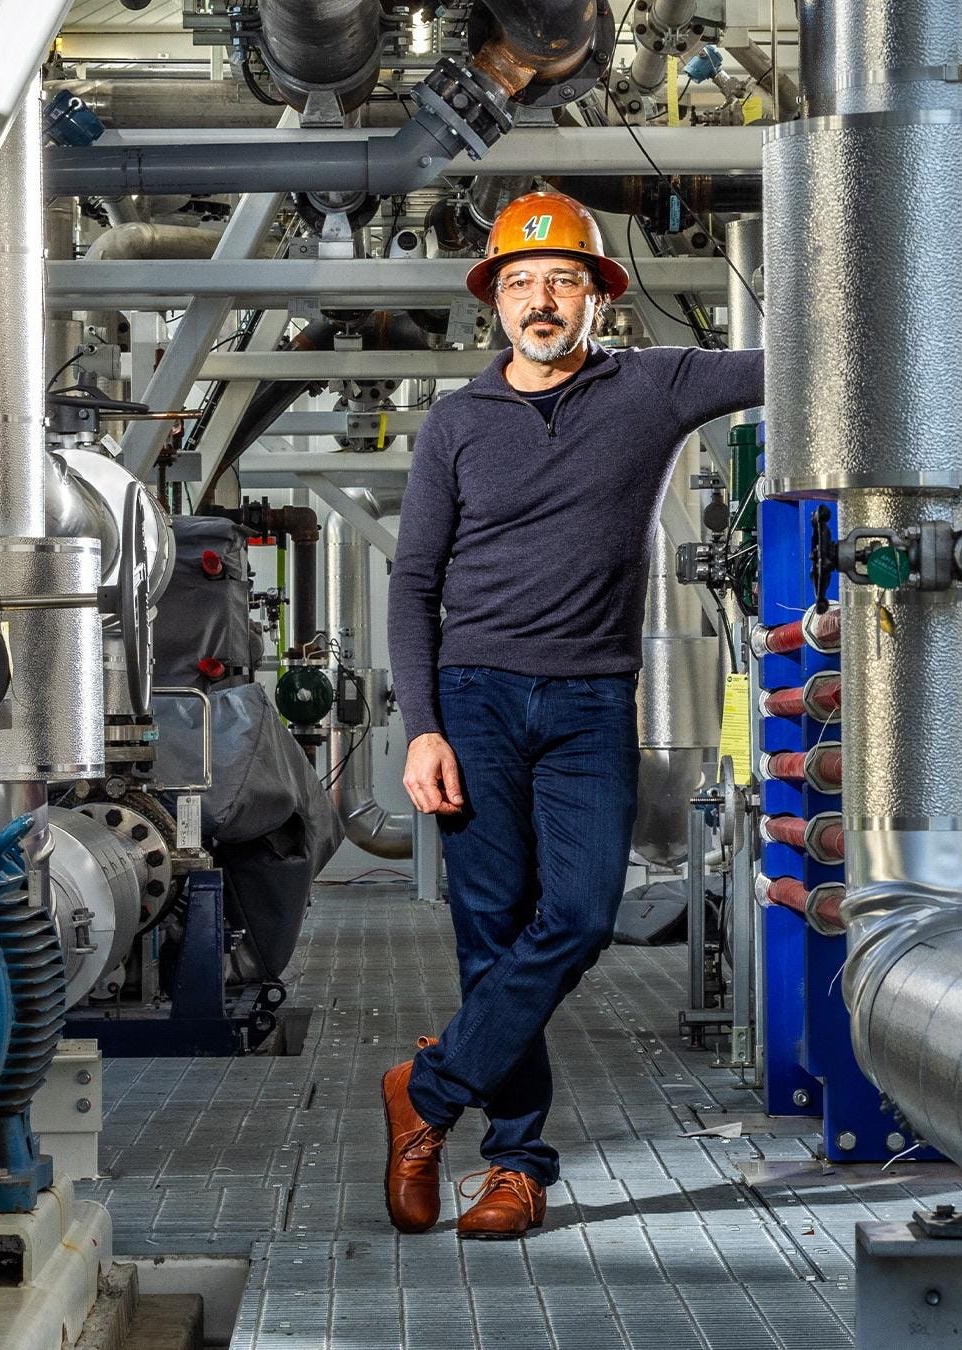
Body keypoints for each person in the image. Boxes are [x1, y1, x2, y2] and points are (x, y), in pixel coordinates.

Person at [379, 189, 764, 1240]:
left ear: (601, 296)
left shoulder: (654, 386)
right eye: (518, 284)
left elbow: (804, 357)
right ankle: (515, 1168)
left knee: (583, 917)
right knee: (490, 932)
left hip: (592, 700)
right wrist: (422, 725)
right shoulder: (457, 424)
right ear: (493, 303)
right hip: (474, 697)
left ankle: (428, 1091)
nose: (539, 302)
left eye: (561, 281)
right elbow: (414, 582)